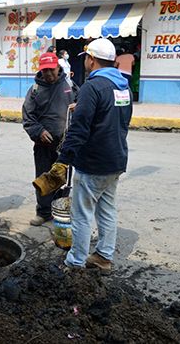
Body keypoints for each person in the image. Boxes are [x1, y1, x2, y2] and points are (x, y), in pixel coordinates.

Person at [33, 38, 132, 274]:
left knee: (82, 214)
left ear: (92, 59)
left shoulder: (92, 87)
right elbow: (118, 118)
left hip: (93, 163)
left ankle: (75, 261)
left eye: (86, 59)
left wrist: (63, 160)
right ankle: (103, 257)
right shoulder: (122, 86)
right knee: (107, 209)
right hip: (116, 159)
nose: (85, 63)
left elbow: (79, 130)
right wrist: (85, 106)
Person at [23, 52, 75, 226]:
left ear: (58, 67)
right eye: (45, 71)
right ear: (40, 71)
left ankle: (59, 210)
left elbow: (82, 104)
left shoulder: (69, 85)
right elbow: (28, 117)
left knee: (62, 179)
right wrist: (39, 131)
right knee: (44, 178)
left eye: (52, 70)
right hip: (43, 145)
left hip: (65, 144)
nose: (49, 74)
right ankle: (44, 212)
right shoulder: (35, 90)